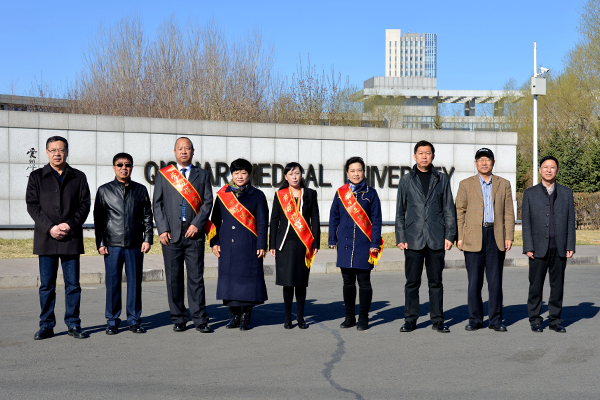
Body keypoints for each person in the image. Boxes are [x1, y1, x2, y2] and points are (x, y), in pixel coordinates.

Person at [26, 136, 91, 340]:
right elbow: (32, 205)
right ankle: (46, 325)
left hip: (71, 238)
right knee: (47, 285)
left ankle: (73, 324)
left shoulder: (78, 177)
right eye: (53, 150)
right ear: (47, 153)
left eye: (61, 150)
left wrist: (70, 224)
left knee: (73, 285)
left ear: (67, 152)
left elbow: (85, 205)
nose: (57, 154)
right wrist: (50, 228)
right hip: (46, 239)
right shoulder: (37, 176)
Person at [153, 137, 214, 333]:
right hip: (171, 236)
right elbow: (157, 204)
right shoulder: (164, 174)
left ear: (193, 151)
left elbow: (208, 202)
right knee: (174, 279)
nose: (184, 151)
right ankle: (179, 318)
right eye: (180, 148)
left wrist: (197, 224)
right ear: (175, 152)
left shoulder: (203, 175)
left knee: (196, 278)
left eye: (187, 148)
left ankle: (200, 319)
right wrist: (162, 229)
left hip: (194, 235)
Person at [395, 140, 457, 333]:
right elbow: (400, 211)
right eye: (421, 153)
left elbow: (449, 209)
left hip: (436, 238)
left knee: (436, 283)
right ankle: (410, 320)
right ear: (415, 156)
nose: (424, 156)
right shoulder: (406, 180)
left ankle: (438, 320)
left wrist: (450, 235)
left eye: (427, 153)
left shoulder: (441, 179)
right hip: (413, 238)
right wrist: (400, 237)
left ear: (433, 156)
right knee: (412, 283)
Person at [455, 148, 515, 332]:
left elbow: (508, 212)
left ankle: (495, 320)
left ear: (493, 163)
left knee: (495, 281)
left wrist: (508, 236)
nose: (484, 163)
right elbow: (460, 211)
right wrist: (460, 236)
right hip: (473, 236)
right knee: (474, 281)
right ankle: (475, 319)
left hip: (495, 236)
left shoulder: (503, 184)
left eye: (487, 159)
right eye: (480, 160)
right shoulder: (466, 184)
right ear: (475, 163)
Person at [94, 153, 153, 335]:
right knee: (113, 284)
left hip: (135, 244)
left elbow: (147, 216)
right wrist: (101, 242)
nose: (123, 168)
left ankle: (134, 320)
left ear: (132, 167)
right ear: (114, 167)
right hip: (112, 245)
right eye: (120, 165)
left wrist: (147, 238)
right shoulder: (104, 190)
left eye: (127, 165)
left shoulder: (140, 190)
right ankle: (112, 321)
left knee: (134, 283)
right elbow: (99, 220)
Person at [210, 159, 269, 331]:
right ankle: (234, 315)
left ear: (249, 175)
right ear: (232, 174)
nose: (240, 176)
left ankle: (246, 316)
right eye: (236, 173)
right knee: (229, 282)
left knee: (248, 283)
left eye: (243, 173)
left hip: (249, 246)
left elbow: (262, 223)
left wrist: (261, 244)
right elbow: (215, 221)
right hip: (227, 245)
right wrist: (215, 242)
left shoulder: (257, 195)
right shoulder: (223, 194)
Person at [328, 156, 383, 331]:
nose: (356, 174)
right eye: (352, 170)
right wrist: (331, 238)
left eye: (359, 170)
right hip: (344, 243)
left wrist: (375, 242)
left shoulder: (371, 193)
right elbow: (334, 217)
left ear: (363, 172)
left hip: (364, 244)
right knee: (348, 282)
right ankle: (350, 316)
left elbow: (377, 219)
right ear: (347, 173)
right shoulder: (340, 193)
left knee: (364, 281)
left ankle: (364, 317)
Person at [522, 155, 575, 333]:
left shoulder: (566, 193)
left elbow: (570, 221)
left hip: (559, 247)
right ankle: (535, 319)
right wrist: (528, 246)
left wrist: (570, 245)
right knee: (535, 286)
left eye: (552, 167)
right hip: (537, 248)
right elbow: (526, 223)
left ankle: (555, 320)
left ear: (557, 170)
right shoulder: (530, 193)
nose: (548, 170)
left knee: (557, 287)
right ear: (540, 170)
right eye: (545, 167)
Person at [269, 162, 320, 329]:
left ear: (301, 175)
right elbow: (274, 220)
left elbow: (315, 219)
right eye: (291, 174)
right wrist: (272, 245)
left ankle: (300, 318)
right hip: (284, 244)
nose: (294, 177)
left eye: (297, 173)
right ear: (286, 177)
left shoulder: (310, 194)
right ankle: (287, 318)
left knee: (301, 282)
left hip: (303, 243)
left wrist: (316, 242)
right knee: (287, 282)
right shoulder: (280, 195)